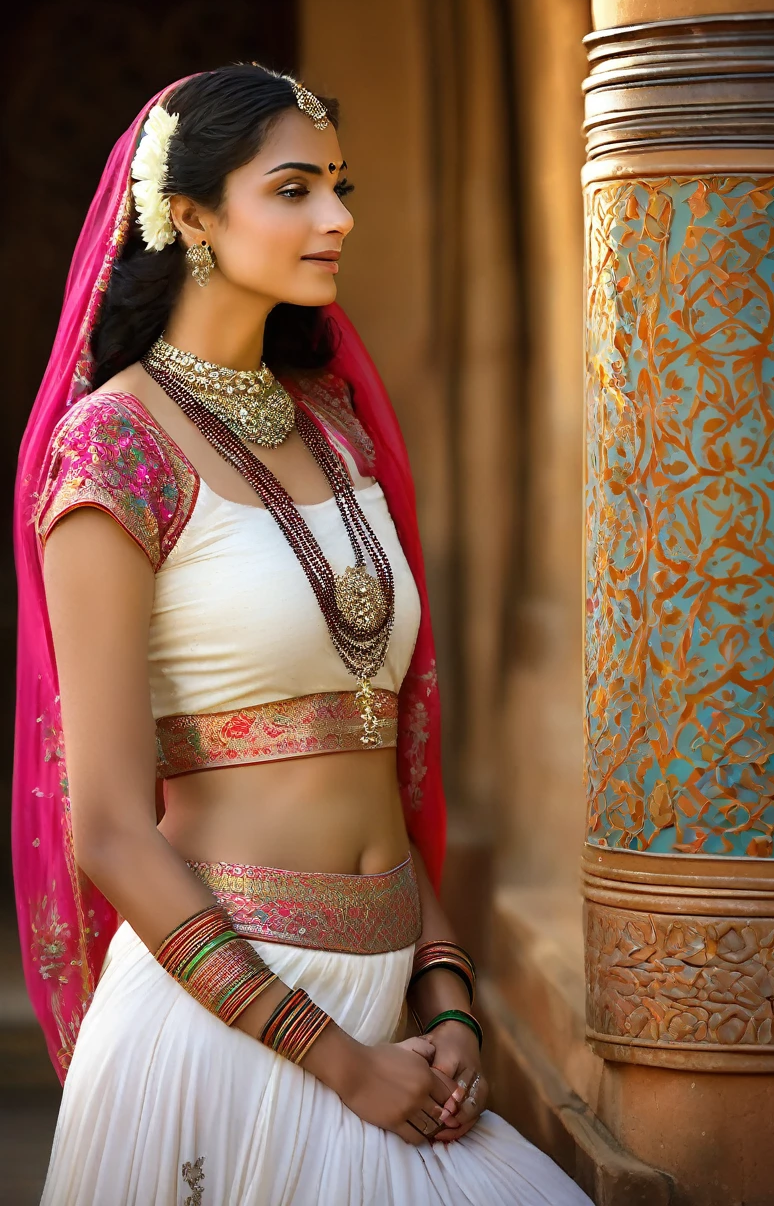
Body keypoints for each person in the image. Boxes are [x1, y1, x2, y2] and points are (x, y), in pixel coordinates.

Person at [12, 63, 592, 1205]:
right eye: (295, 189)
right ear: (188, 215)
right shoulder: (116, 450)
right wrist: (340, 1060)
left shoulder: (333, 427)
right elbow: (115, 834)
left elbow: (373, 753)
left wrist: (449, 997)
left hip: (396, 1025)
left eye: (341, 184)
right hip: (231, 1036)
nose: (339, 217)